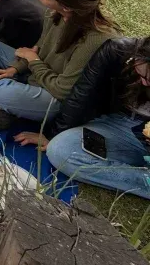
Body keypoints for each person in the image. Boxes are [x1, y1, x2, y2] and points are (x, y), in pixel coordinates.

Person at [0, 0, 118, 130]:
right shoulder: (54, 14)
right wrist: (14, 69)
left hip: (56, 98)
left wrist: (33, 60)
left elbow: (62, 91)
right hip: (36, 73)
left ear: (66, 6)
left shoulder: (95, 39)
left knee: (4, 93)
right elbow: (38, 49)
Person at [15, 37, 150, 200]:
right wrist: (53, 135)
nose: (144, 83)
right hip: (121, 126)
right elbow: (82, 95)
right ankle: (142, 179)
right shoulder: (118, 51)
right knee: (60, 150)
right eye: (140, 75)